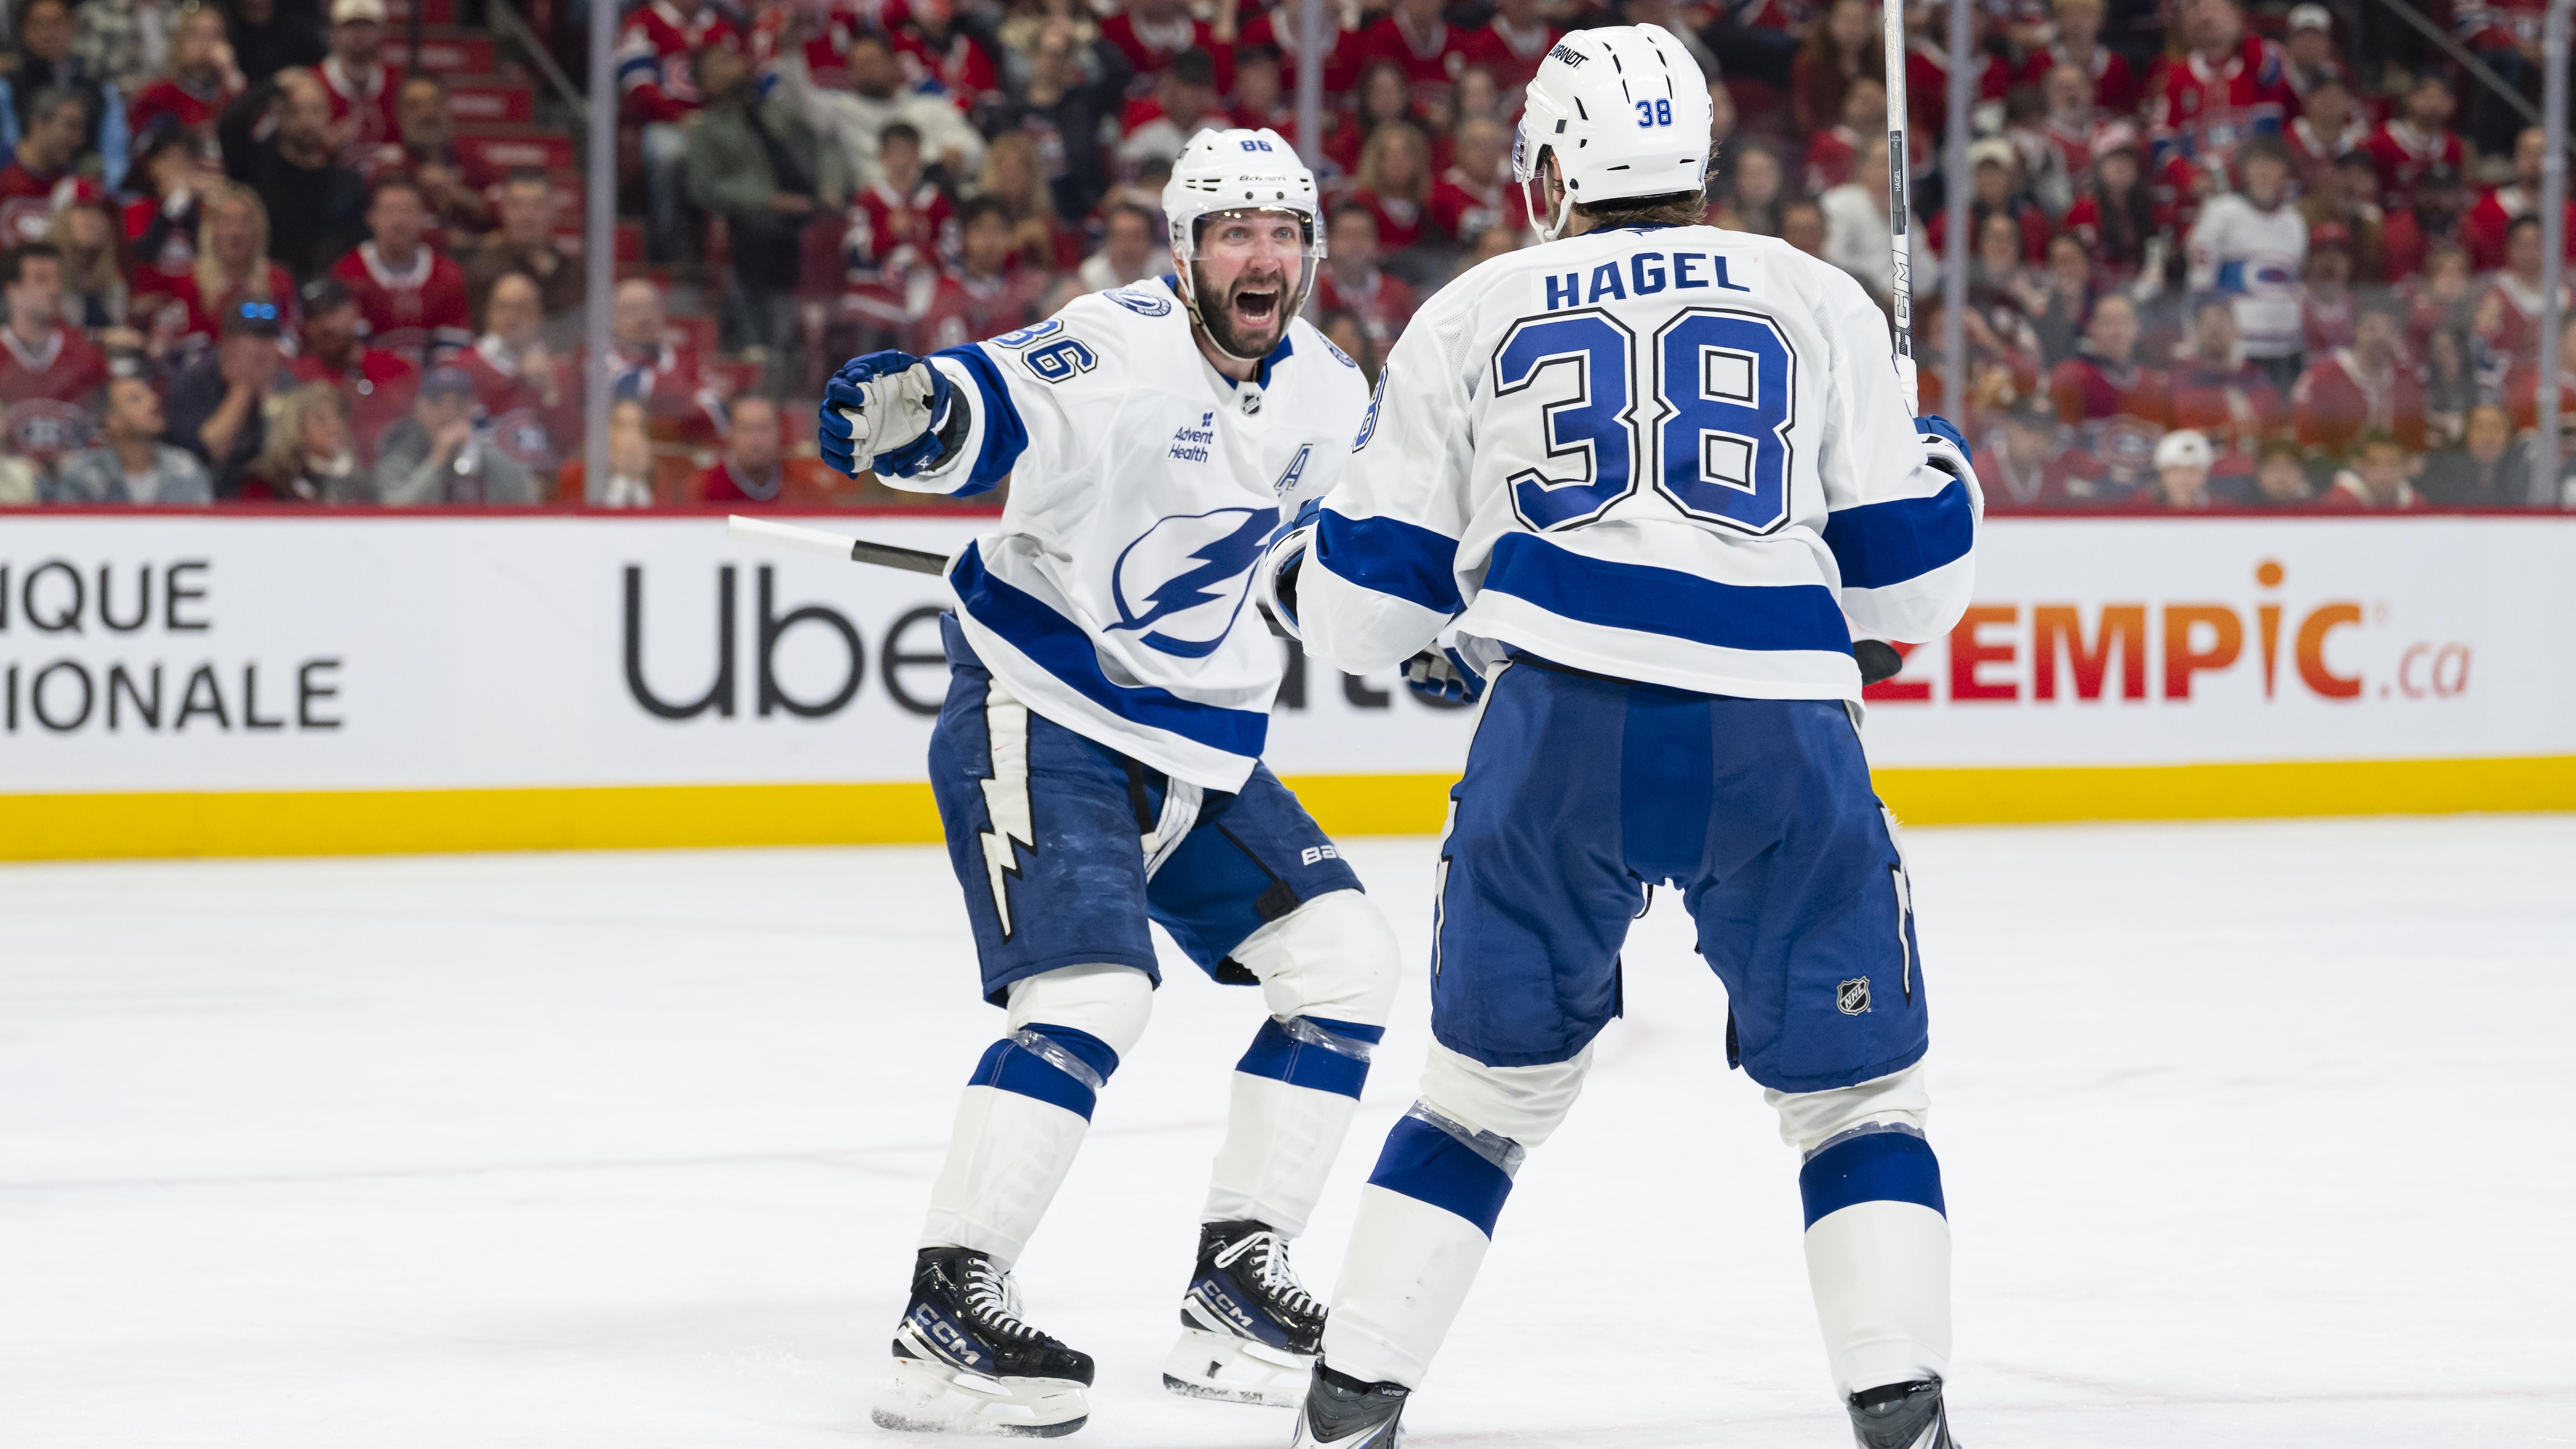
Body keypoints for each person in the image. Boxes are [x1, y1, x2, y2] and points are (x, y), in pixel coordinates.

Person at [1258, 27, 1979, 1449]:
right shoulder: (1814, 292)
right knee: (1859, 1104)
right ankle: (1904, 1419)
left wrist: (1374, 607)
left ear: (1554, 162)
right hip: (1780, 740)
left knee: (1475, 1102)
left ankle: (1347, 1414)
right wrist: (1933, 461)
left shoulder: (1473, 310)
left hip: (1555, 734)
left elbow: (1350, 610)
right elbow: (1914, 590)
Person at [815, 128, 1396, 1436]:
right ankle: (946, 1304)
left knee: (1348, 960)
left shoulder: (1330, 391)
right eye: (1236, 232)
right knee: (1091, 990)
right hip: (1044, 706)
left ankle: (1236, 1284)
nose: (1265, 256)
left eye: (1285, 231)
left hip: (1200, 748)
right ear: (1185, 251)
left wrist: (1397, 629)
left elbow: (1314, 570)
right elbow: (990, 403)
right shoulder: (1116, 341)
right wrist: (921, 412)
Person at [616, 0, 740, 261]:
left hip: (717, 126)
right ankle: (671, 247)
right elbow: (637, 83)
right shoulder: (644, 22)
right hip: (664, 124)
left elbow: (737, 84)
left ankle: (730, 255)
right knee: (667, 156)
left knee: (742, 156)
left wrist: (715, 123)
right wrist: (678, 116)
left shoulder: (722, 27)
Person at [217, 68, 367, 278]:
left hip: (323, 294)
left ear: (328, 116)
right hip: (266, 290)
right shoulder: (255, 166)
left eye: (316, 111)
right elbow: (231, 125)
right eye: (295, 111)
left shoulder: (345, 184)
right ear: (280, 116)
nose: (306, 121)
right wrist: (273, 85)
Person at [2185, 134, 2306, 391]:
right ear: (2244, 169)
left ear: (2285, 170)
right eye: (2257, 163)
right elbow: (2199, 284)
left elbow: (2294, 282)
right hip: (2239, 348)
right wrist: (2199, 340)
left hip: (2286, 346)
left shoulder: (2295, 222)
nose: (2265, 171)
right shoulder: (2221, 213)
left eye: (2273, 164)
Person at [132, 181, 295, 353]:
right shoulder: (188, 282)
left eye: (245, 223)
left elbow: (290, 340)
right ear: (211, 231)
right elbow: (166, 344)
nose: (236, 233)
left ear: (258, 230)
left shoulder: (279, 280)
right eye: (227, 222)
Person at [331, 175, 471, 364]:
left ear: (423, 217)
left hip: (431, 389)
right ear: (371, 217)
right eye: (390, 211)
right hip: (370, 386)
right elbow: (353, 352)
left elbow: (453, 352)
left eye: (408, 211)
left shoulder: (448, 275)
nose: (399, 221)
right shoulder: (349, 273)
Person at [0, 241, 112, 474]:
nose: (55, 289)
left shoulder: (87, 356)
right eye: (41, 279)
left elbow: (106, 430)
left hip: (77, 487)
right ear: (13, 291)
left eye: (57, 279)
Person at [166, 297, 297, 492]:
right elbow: (210, 451)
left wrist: (267, 398)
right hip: (203, 493)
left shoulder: (285, 383)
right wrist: (243, 390)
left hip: (270, 498)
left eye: (269, 338)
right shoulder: (192, 382)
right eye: (254, 338)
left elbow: (288, 457)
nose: (263, 348)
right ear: (227, 342)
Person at [290, 274, 416, 461]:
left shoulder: (398, 369)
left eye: (333, 312)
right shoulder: (297, 379)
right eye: (315, 317)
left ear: (354, 311)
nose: (326, 325)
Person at [373, 365, 538, 504]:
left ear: (472, 407)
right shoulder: (400, 451)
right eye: (437, 402)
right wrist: (437, 460)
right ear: (419, 408)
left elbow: (527, 505)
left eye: (459, 404)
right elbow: (394, 513)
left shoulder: (492, 456)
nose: (449, 412)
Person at [54, 375, 215, 503]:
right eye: (136, 399)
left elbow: (202, 532)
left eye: (151, 395)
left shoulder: (186, 468)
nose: (153, 402)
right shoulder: (82, 474)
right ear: (112, 420)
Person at [463, 170, 585, 333]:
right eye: (516, 205)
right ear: (503, 210)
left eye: (538, 205)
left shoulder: (578, 275)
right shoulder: (479, 272)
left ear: (554, 210)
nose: (527, 216)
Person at [695, 394, 848, 505]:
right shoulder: (701, 488)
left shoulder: (806, 488)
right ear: (730, 433)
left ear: (780, 432)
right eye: (746, 429)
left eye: (764, 428)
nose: (756, 440)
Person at [126, 5, 243, 147]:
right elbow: (146, 155)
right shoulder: (156, 95)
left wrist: (230, 71)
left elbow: (255, 134)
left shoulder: (234, 90)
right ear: (179, 41)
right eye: (195, 34)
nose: (205, 42)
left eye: (214, 34)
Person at [1308, 201, 1414, 353]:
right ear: (1328, 242)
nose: (1355, 244)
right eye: (1346, 235)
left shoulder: (1397, 291)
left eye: (1364, 235)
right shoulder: (1315, 290)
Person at [242, 378, 363, 501]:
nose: (335, 427)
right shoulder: (267, 485)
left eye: (339, 416)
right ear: (297, 428)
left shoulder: (364, 482)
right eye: (321, 419)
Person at [316, 0, 395, 166]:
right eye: (350, 25)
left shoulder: (395, 83)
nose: (360, 33)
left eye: (368, 25)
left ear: (382, 31)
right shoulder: (313, 84)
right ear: (334, 31)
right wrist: (323, 146)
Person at [2418, 402, 2530, 507]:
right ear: (2467, 435)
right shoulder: (2441, 477)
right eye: (2480, 427)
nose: (2488, 437)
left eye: (2496, 427)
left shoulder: (2527, 477)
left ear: (2509, 436)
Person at [2319, 429, 2422, 510]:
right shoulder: (2339, 502)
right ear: (2359, 466)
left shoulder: (2415, 503)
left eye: (2393, 466)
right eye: (2373, 465)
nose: (2383, 474)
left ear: (2406, 468)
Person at [1075, 202, 1160, 293]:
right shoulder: (1090, 275)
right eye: (1120, 237)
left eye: (1136, 237)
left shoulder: (1168, 272)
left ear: (1151, 240)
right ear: (1108, 240)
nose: (1128, 246)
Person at [2134, 428, 2221, 509]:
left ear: (2205, 475)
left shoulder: (2222, 512)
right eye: (2175, 470)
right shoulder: (2138, 508)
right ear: (2162, 474)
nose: (2184, 479)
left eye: (2193, 471)